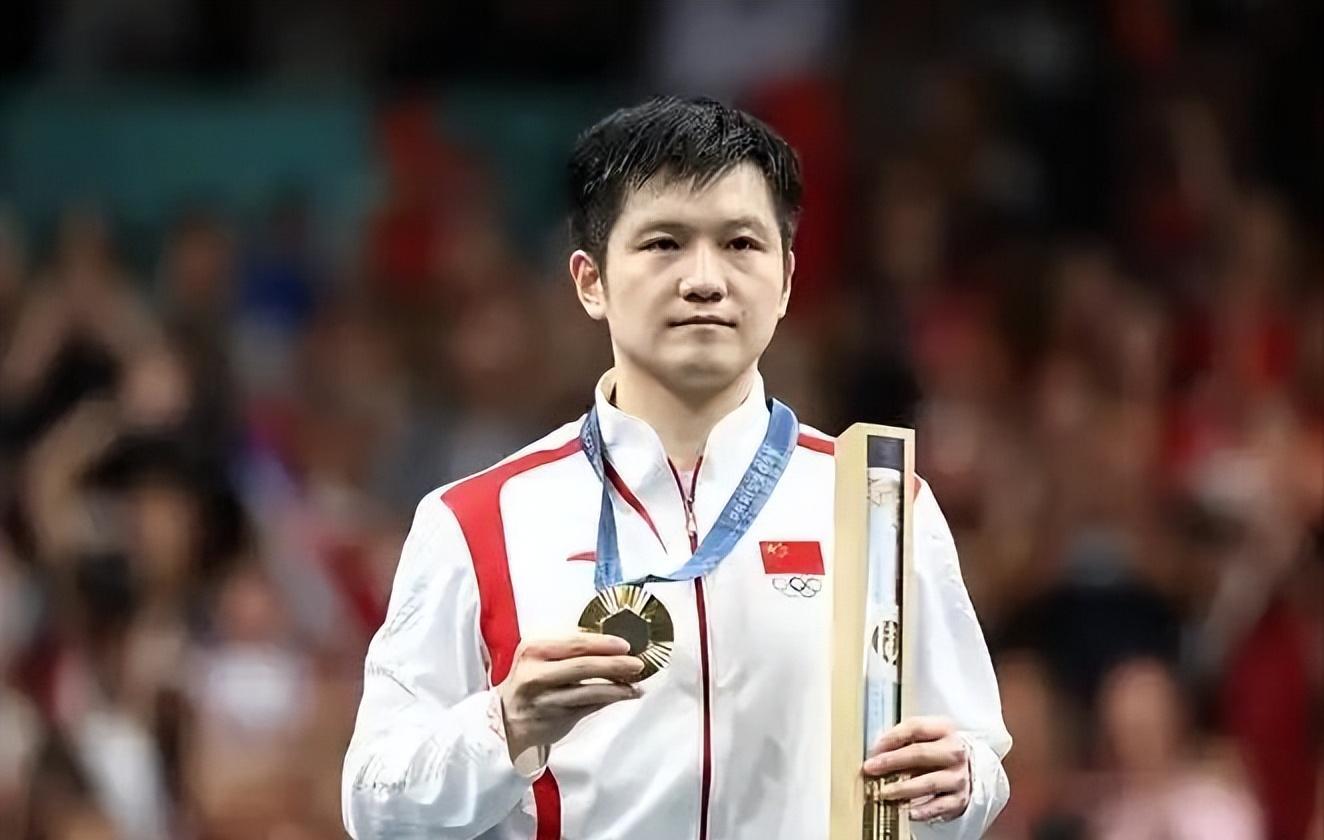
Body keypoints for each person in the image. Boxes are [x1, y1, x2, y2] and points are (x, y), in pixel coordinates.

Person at [341, 96, 1011, 839]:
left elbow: (974, 758)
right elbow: (375, 806)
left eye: (741, 244)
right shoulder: (475, 521)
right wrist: (505, 724)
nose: (705, 280)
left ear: (787, 280)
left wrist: (963, 783)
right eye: (664, 243)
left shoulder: (881, 504)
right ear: (590, 281)